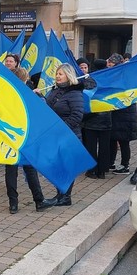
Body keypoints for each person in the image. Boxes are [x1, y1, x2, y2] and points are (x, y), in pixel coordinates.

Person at [3, 53, 51, 213]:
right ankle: (39, 200)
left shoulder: (7, 95)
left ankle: (13, 203)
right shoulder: (30, 96)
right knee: (30, 169)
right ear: (25, 80)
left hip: (10, 137)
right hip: (27, 137)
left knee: (11, 170)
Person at [40, 64, 85, 207]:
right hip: (55, 135)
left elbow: (77, 115)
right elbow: (48, 107)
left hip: (69, 135)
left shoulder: (75, 93)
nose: (58, 76)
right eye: (57, 73)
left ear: (68, 75)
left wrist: (61, 128)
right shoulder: (55, 91)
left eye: (61, 74)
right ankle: (60, 195)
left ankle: (65, 197)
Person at [105, 54, 136, 175]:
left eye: (111, 65)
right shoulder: (118, 76)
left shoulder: (124, 78)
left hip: (125, 116)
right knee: (113, 140)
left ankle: (125, 166)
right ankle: (111, 162)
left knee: (124, 142)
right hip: (118, 115)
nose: (108, 67)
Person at [81, 59, 111, 179]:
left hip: (92, 118)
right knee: (104, 146)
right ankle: (102, 171)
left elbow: (85, 96)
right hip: (106, 118)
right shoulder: (110, 79)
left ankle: (92, 170)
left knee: (91, 146)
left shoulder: (89, 79)